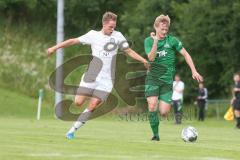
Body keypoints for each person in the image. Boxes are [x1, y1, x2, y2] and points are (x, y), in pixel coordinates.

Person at [47, 12, 149, 139]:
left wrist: (143, 60)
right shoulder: (93, 35)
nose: (113, 29)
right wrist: (54, 48)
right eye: (110, 27)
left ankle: (72, 130)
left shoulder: (118, 36)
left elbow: (129, 51)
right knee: (78, 102)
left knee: (93, 105)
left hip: (107, 79)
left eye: (114, 27)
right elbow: (73, 41)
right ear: (104, 24)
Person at [144, 14, 203, 141]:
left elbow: (186, 54)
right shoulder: (148, 41)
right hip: (152, 78)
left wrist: (194, 70)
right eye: (162, 28)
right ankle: (156, 135)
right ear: (156, 27)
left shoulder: (172, 41)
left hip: (166, 81)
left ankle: (160, 105)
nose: (165, 31)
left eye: (166, 29)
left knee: (164, 112)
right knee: (152, 105)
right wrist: (155, 41)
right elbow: (151, 58)